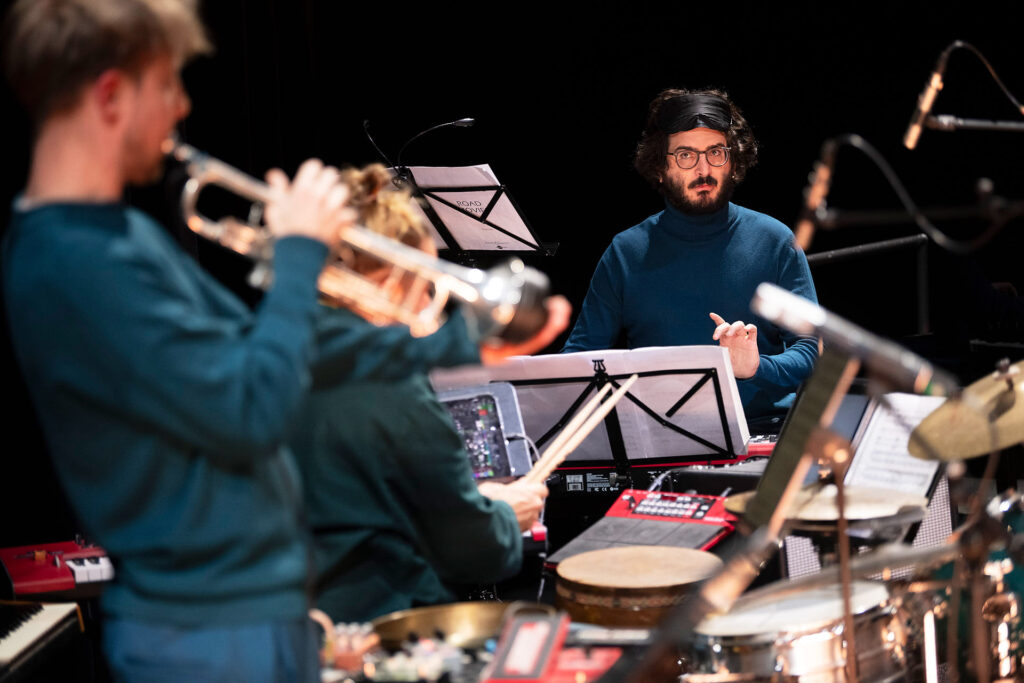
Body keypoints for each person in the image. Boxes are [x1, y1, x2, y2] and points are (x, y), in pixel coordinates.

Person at [1, 1, 565, 680]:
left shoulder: (121, 237)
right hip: (204, 635)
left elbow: (273, 355)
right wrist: (299, 255)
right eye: (170, 84)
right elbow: (251, 410)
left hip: (258, 618)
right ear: (112, 94)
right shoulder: (73, 261)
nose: (182, 107)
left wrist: (454, 345)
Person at [290, 164, 548, 623]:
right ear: (392, 279)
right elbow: (475, 554)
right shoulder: (395, 386)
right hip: (378, 623)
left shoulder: (272, 346)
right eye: (425, 283)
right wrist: (506, 515)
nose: (430, 299)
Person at [563, 88, 818, 422]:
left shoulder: (775, 239)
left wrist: (756, 367)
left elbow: (811, 350)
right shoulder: (626, 252)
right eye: (686, 155)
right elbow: (581, 357)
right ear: (659, 167)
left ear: (734, 160)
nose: (703, 169)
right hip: (659, 440)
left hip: (762, 435)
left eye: (716, 153)